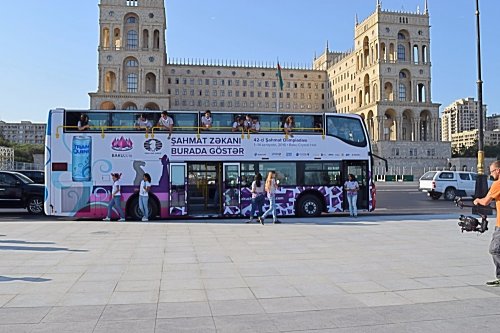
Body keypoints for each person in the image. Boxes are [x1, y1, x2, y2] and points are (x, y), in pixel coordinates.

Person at [473, 161, 500, 286]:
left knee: (494, 249)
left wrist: (477, 200)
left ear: (498, 170)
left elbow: (485, 202)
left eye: (492, 171)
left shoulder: (497, 184)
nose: (491, 174)